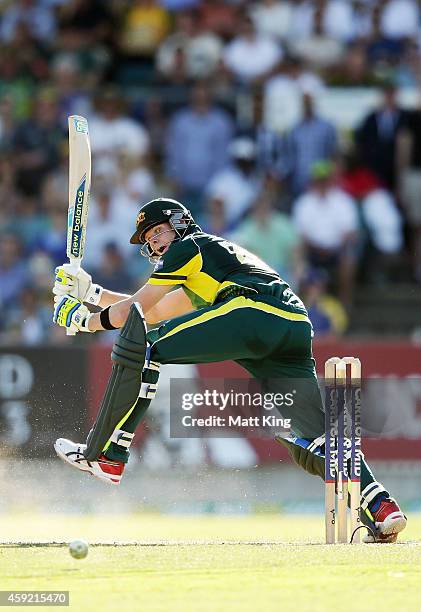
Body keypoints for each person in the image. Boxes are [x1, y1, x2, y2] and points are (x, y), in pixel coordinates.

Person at [52, 197, 406, 543]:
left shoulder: (188, 246)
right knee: (312, 438)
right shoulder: (204, 263)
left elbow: (136, 311)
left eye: (157, 232)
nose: (155, 243)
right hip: (292, 324)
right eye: (148, 240)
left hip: (253, 310)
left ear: (179, 223)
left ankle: (109, 455)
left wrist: (83, 320)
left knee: (145, 347)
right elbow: (154, 311)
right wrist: (89, 291)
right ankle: (381, 506)